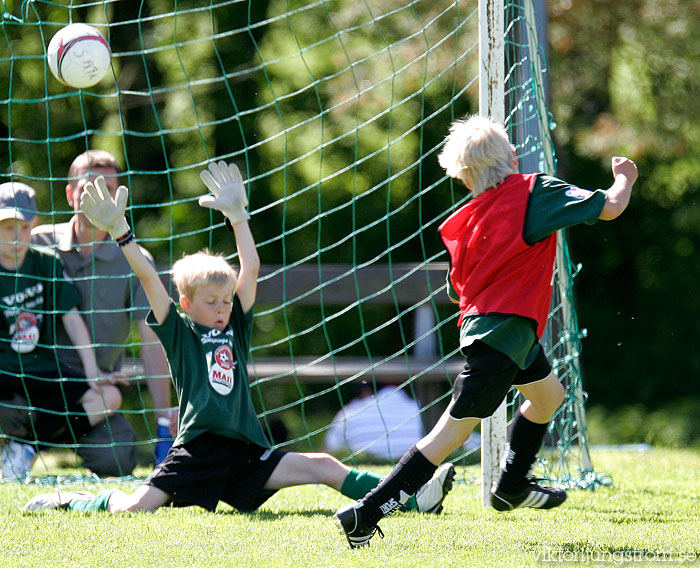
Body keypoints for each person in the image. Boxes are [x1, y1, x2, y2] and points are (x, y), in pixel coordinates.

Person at [23, 161, 455, 515]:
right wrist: (122, 234)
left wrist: (238, 217)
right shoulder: (179, 330)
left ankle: (408, 495)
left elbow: (250, 267)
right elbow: (150, 280)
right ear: (187, 303)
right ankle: (71, 501)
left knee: (322, 464)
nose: (222, 308)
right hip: (197, 450)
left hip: (245, 450)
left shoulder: (235, 327)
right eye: (211, 301)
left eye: (226, 300)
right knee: (135, 508)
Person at [333, 115, 638, 548]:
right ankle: (367, 512)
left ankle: (511, 486)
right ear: (512, 156)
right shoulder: (534, 192)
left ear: (463, 176)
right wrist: (624, 178)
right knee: (448, 436)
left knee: (549, 396)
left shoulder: (465, 220)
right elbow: (610, 206)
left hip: (495, 331)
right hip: (503, 337)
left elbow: (458, 287)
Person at [32, 150, 174, 474]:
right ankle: (22, 445)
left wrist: (164, 424)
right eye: (88, 189)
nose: (99, 198)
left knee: (117, 460)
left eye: (109, 191)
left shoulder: (135, 259)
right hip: (34, 387)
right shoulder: (36, 245)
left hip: (96, 393)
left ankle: (32, 442)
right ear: (70, 195)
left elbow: (153, 345)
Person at [0, 182, 122, 477]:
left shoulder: (46, 263)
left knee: (110, 397)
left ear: (34, 224)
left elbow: (72, 319)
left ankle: (26, 447)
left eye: (24, 228)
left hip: (42, 371)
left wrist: (93, 371)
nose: (17, 238)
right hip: (3, 375)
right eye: (7, 229)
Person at [324, 382, 423, 460]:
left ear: (365, 391)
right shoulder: (420, 407)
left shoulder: (351, 410)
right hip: (417, 461)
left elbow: (328, 450)